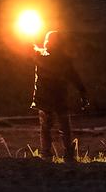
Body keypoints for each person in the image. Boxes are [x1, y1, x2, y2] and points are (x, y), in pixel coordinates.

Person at [31, 29, 89, 163]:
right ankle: (69, 156)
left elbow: (31, 49)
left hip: (45, 99)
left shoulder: (40, 56)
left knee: (46, 128)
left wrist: (28, 38)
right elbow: (75, 78)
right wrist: (83, 93)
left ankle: (46, 155)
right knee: (65, 128)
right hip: (60, 98)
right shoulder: (65, 61)